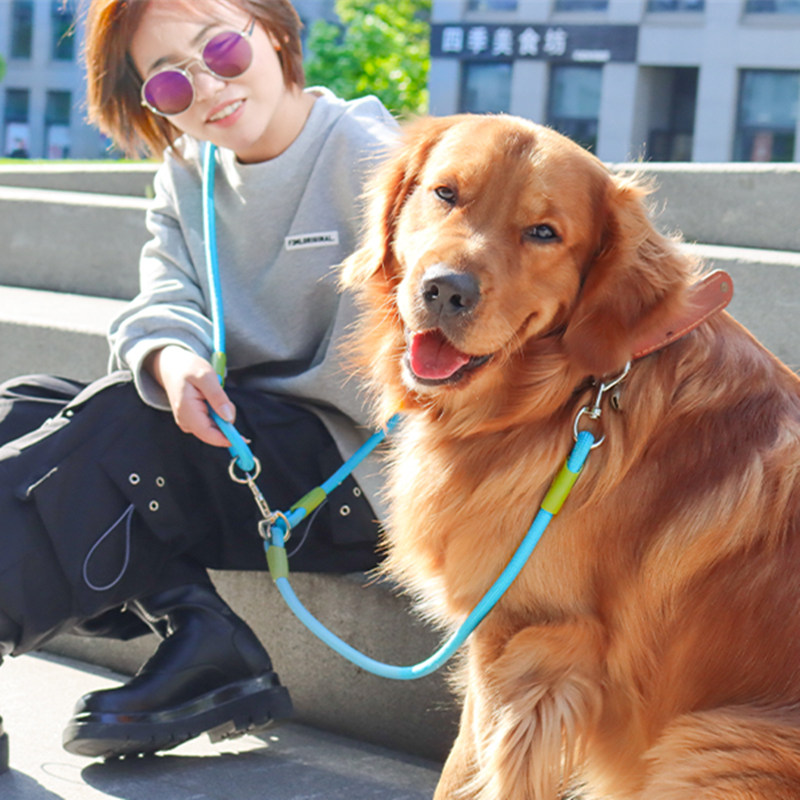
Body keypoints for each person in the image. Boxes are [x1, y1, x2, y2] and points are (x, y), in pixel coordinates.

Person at [0, 0, 398, 759]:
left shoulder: (369, 155)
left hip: (359, 476)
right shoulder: (190, 168)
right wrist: (169, 358)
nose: (208, 87)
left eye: (219, 48)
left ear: (276, 32)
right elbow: (164, 300)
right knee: (24, 409)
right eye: (169, 84)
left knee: (122, 426)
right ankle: (200, 635)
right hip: (243, 452)